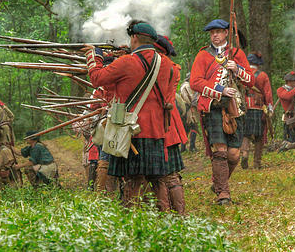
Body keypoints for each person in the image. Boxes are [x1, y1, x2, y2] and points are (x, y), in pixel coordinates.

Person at [85, 20, 185, 213]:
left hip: (132, 131)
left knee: (133, 179)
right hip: (157, 131)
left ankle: (131, 218)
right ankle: (166, 217)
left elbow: (97, 79)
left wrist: (94, 56)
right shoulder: (166, 64)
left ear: (134, 37)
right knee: (158, 180)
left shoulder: (126, 62)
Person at [190, 18, 255, 205]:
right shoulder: (203, 55)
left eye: (218, 32)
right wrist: (219, 90)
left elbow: (250, 81)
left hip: (235, 108)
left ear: (226, 33)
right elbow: (195, 82)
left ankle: (219, 182)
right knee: (220, 151)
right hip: (213, 107)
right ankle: (223, 193)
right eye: (212, 33)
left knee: (234, 154)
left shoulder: (236, 53)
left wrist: (238, 69)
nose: (215, 35)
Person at [240, 52, 273, 169]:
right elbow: (267, 93)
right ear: (258, 63)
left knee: (246, 134)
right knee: (259, 137)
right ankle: (256, 163)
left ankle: (244, 154)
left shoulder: (242, 75)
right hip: (259, 108)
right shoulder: (263, 75)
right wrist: (270, 107)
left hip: (244, 108)